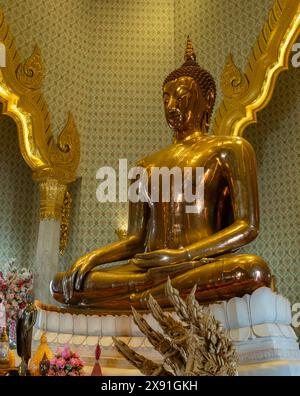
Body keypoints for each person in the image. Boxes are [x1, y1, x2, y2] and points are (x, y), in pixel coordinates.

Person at [51, 38, 271, 310]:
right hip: (149, 270)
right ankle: (153, 296)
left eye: (181, 96)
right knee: (63, 283)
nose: (171, 105)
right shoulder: (145, 165)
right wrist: (94, 257)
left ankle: (141, 300)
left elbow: (247, 226)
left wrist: (183, 254)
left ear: (208, 99)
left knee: (253, 271)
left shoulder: (231, 149)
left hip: (198, 265)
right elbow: (135, 240)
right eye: (166, 98)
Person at [16, 293, 37, 375]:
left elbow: (33, 321)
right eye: (27, 297)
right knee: (22, 344)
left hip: (28, 330)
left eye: (30, 297)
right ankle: (22, 361)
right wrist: (18, 319)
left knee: (27, 345)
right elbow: (22, 318)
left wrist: (27, 329)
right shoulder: (26, 308)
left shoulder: (34, 309)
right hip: (23, 328)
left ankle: (26, 362)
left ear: (32, 298)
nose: (28, 298)